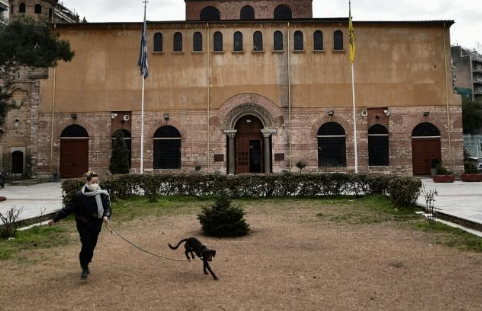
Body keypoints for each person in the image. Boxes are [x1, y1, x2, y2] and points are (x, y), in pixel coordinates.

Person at [48, 171, 111, 279]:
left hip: (96, 224)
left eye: (97, 182)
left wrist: (106, 216)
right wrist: (55, 219)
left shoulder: (102, 194)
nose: (95, 184)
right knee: (86, 244)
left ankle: (87, 259)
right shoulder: (79, 195)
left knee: (91, 246)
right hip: (83, 224)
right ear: (88, 182)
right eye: (93, 182)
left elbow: (107, 208)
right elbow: (68, 209)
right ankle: (84, 266)